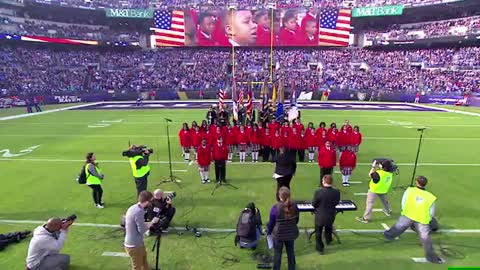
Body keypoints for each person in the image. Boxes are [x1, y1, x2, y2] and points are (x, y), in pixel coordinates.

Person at [384, 176, 444, 264]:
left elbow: (403, 202)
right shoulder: (430, 197)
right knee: (425, 238)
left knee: (398, 227)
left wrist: (405, 210)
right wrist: (429, 219)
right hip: (422, 219)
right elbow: (431, 212)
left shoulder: (409, 190)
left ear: (416, 182)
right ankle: (432, 258)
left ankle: (388, 235)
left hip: (408, 214)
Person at [124, 191, 159, 270]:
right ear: (147, 201)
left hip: (136, 243)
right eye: (151, 201)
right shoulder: (139, 212)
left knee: (144, 263)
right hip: (134, 246)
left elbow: (138, 224)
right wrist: (152, 222)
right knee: (137, 267)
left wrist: (148, 223)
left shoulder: (134, 207)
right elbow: (142, 230)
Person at [267, 187, 299, 270]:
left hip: (279, 235)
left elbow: (271, 223)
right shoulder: (295, 206)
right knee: (291, 252)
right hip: (291, 233)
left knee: (277, 254)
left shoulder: (275, 208)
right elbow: (296, 220)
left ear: (279, 196)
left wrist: (268, 233)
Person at [312, 175, 340, 254]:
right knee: (329, 227)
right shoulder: (336, 192)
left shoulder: (318, 192)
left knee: (318, 232)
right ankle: (328, 240)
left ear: (323, 181)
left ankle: (320, 248)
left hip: (320, 215)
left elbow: (314, 204)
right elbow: (336, 203)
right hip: (331, 215)